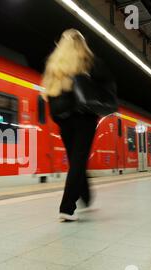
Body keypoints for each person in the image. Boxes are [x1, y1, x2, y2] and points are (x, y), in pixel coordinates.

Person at [41, 29, 115, 222]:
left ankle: (86, 196)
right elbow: (106, 87)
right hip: (84, 118)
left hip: (64, 119)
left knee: (76, 161)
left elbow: (49, 93)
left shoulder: (54, 65)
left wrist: (59, 117)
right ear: (82, 44)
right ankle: (67, 207)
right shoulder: (90, 62)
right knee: (79, 161)